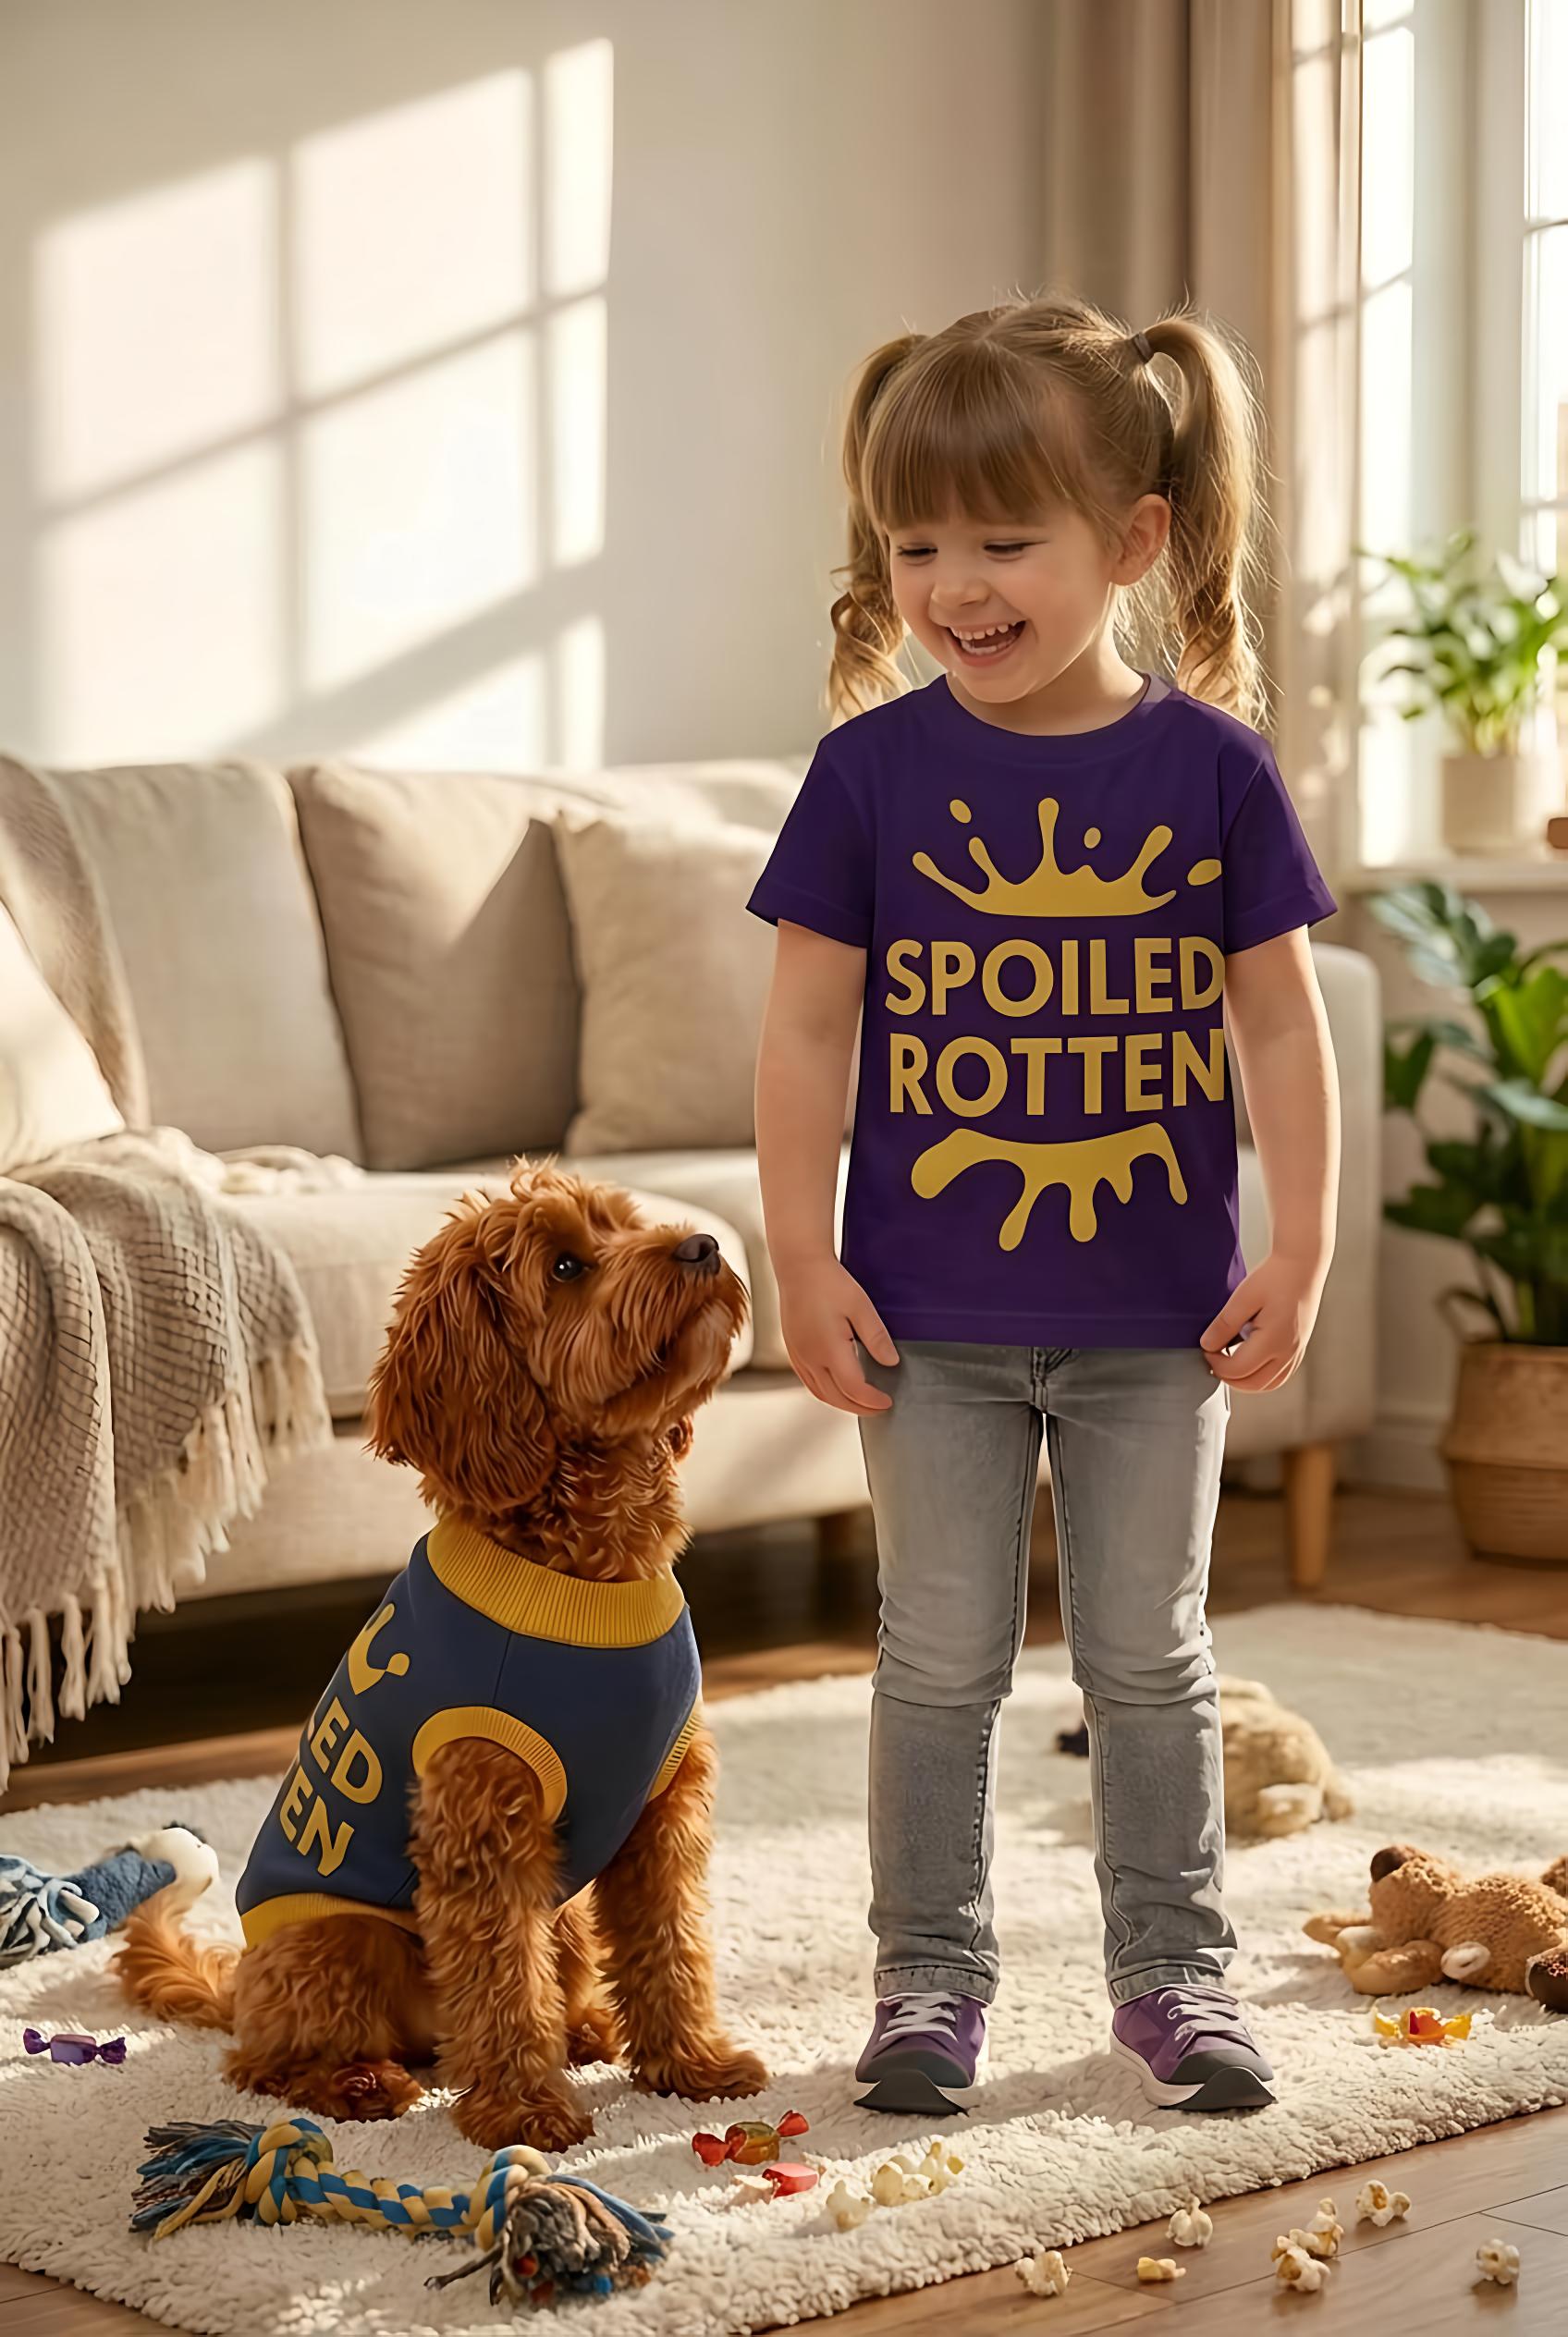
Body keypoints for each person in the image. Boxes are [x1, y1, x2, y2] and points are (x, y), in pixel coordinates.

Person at [744, 293, 1340, 2118]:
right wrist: (801, 1257)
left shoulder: (1214, 773)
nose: (954, 583)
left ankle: (1175, 1970)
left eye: (1004, 541)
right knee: (931, 1660)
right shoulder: (866, 776)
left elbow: (1279, 1029)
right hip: (923, 1316)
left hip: (1155, 1318)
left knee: (1148, 1657)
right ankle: (926, 1978)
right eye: (915, 544)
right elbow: (802, 1039)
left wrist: (1299, 1246)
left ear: (1132, 540)